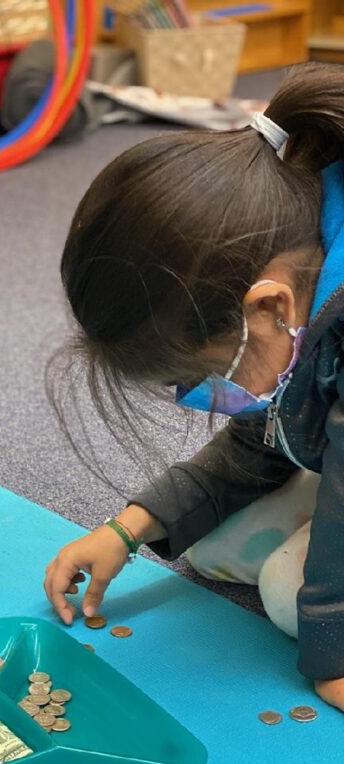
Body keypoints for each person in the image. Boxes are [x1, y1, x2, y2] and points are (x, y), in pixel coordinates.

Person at [43, 63, 344, 710]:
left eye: (193, 376)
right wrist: (127, 529)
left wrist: (331, 660)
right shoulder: (292, 275)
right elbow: (262, 434)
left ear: (269, 309)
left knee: (292, 595)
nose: (194, 396)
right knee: (211, 544)